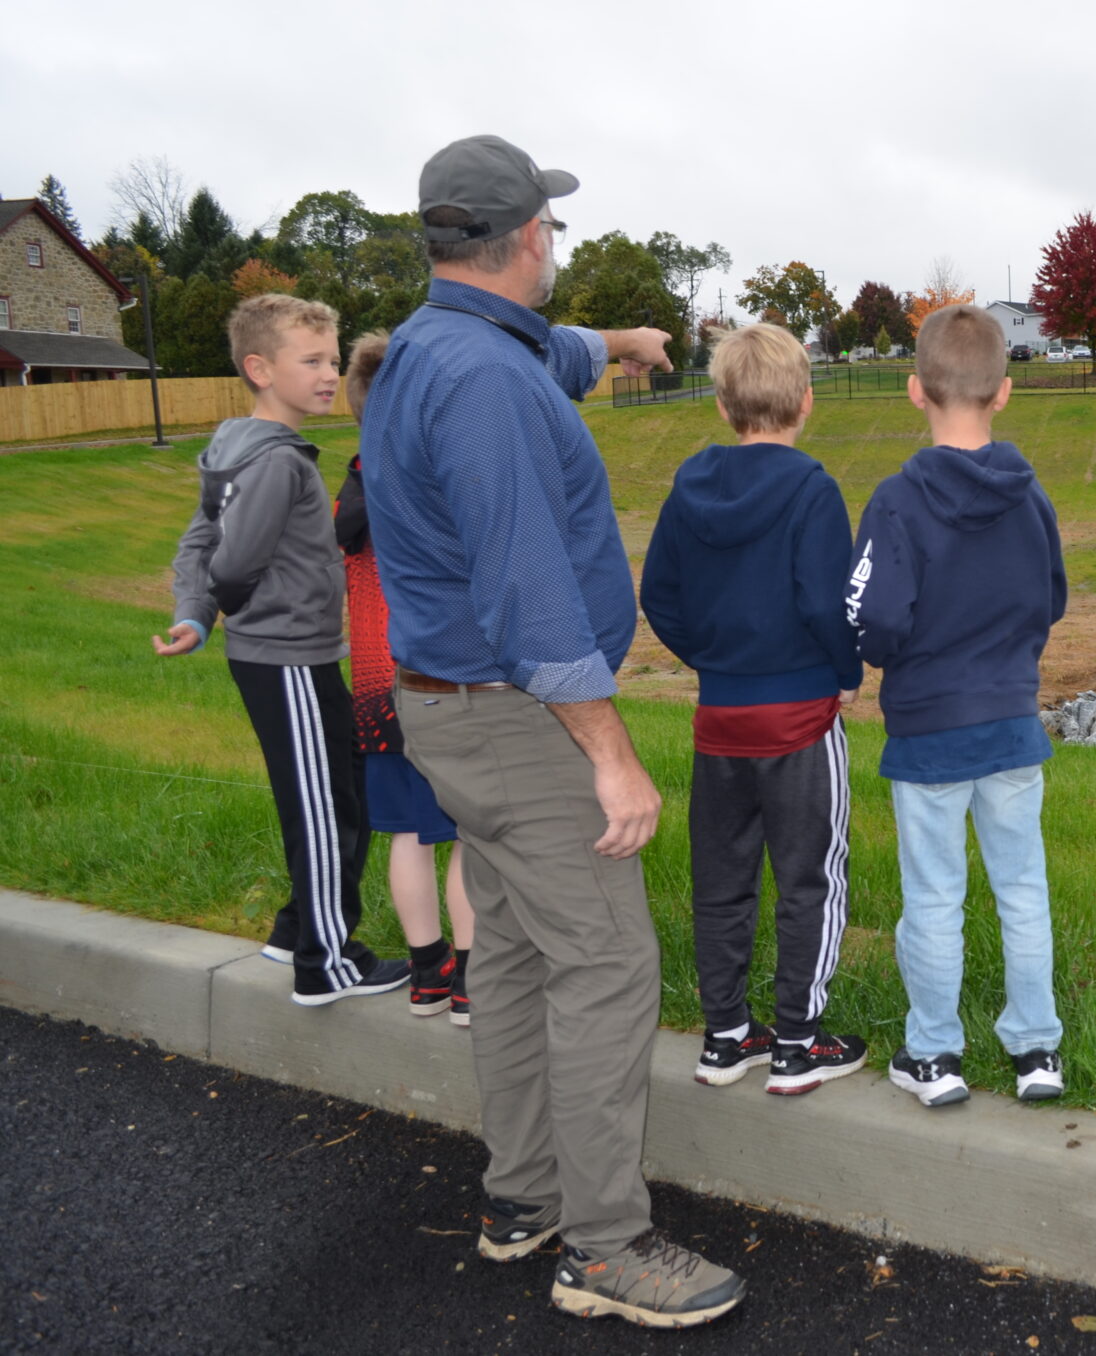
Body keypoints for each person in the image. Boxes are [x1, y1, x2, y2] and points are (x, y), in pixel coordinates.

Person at [358, 134, 743, 1330]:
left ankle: (521, 1199)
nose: (555, 246)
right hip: (517, 717)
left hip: (449, 715)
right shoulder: (481, 385)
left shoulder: (438, 344)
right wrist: (610, 754)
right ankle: (604, 1248)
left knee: (519, 954)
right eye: (553, 230)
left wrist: (619, 344)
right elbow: (529, 600)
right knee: (609, 965)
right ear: (528, 237)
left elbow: (543, 357)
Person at [156, 293, 408, 1007]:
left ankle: (295, 926)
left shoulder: (235, 445)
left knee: (337, 786)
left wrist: (195, 615)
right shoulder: (278, 463)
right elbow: (230, 558)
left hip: (290, 655)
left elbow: (196, 542)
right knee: (324, 806)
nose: (330, 373)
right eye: (313, 361)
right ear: (260, 368)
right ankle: (327, 962)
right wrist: (226, 600)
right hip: (288, 657)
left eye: (332, 360)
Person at [844, 304, 1068, 1109]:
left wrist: (886, 655)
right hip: (1010, 724)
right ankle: (1036, 1047)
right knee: (1022, 888)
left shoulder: (896, 503)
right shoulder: (1031, 497)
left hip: (931, 732)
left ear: (915, 390)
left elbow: (871, 617)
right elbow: (1050, 598)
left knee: (934, 895)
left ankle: (934, 1055)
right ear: (1003, 392)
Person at [639, 323, 866, 1096]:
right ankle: (798, 1042)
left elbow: (658, 595)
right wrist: (845, 672)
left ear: (722, 404)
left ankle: (726, 1034)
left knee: (723, 879)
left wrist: (711, 658)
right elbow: (826, 602)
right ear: (805, 402)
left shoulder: (688, 484)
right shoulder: (812, 488)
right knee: (811, 879)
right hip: (800, 717)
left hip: (721, 719)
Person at [333, 331, 475, 1025]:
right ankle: (474, 980)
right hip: (436, 680)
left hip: (372, 687)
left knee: (408, 837)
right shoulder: (430, 478)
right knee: (469, 832)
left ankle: (427, 972)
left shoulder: (355, 482)